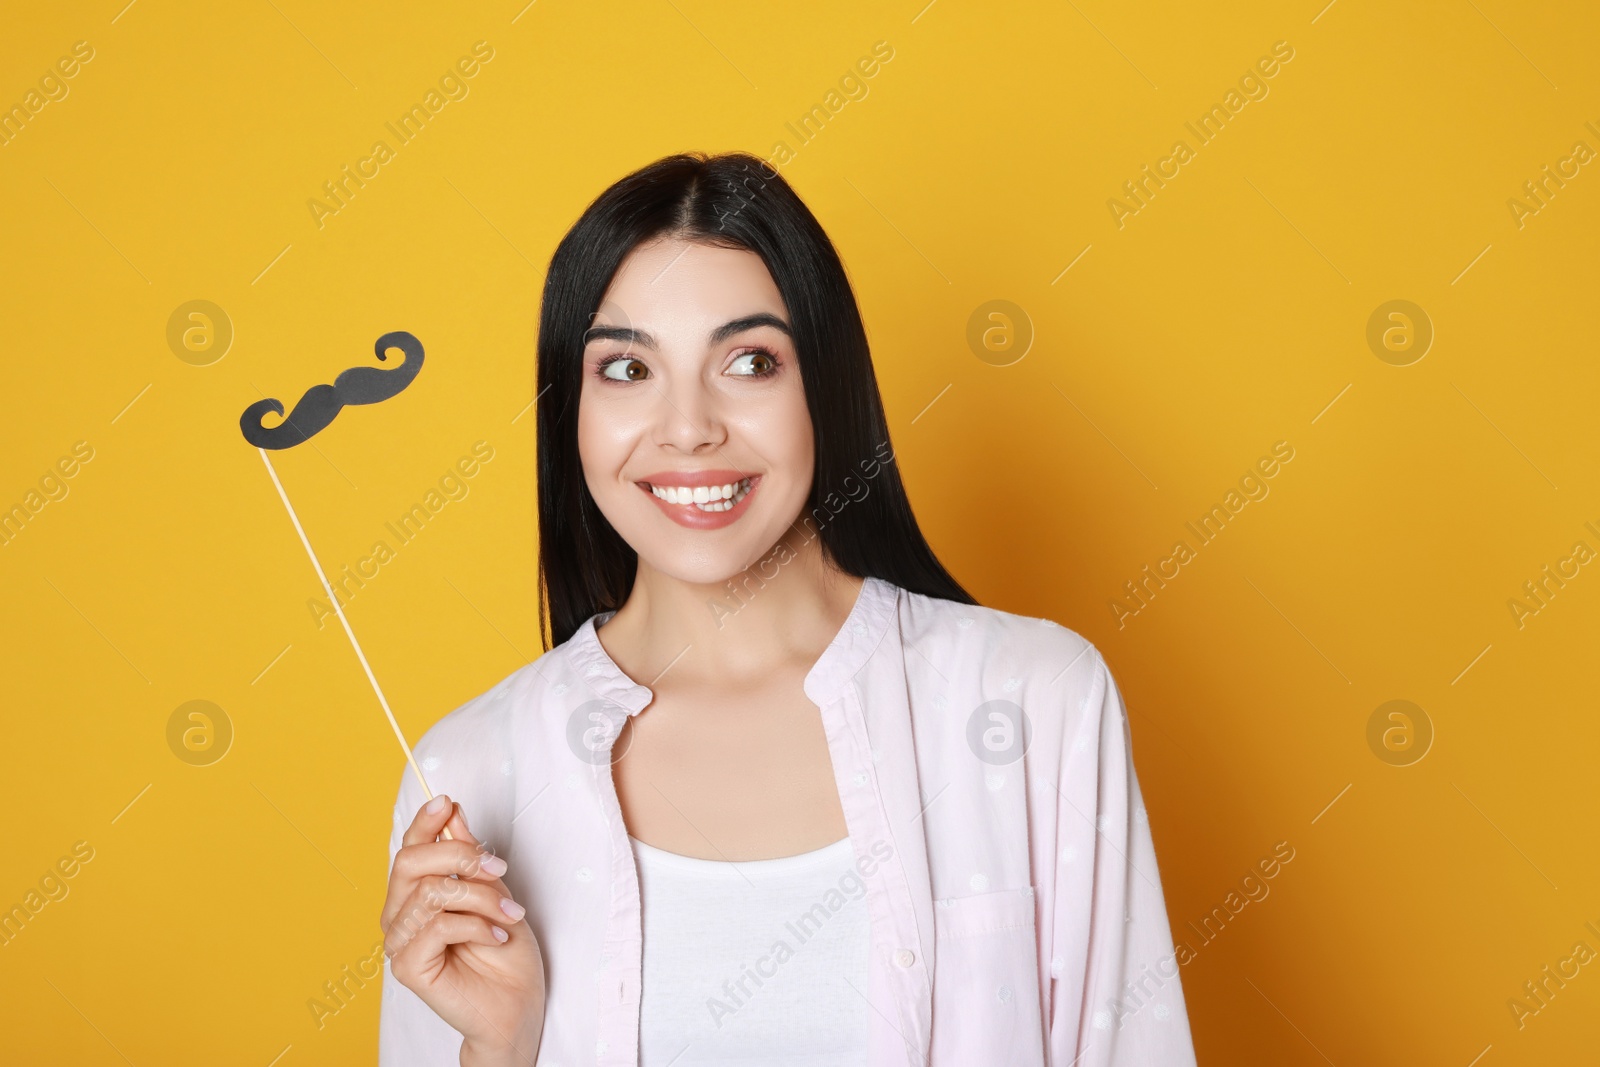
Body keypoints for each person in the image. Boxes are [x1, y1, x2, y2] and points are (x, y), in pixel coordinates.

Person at [377, 151, 1198, 1066]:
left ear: (825, 388)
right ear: (570, 409)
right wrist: (501, 1046)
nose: (688, 426)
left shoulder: (1033, 701)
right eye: (625, 369)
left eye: (751, 360)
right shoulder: (470, 772)